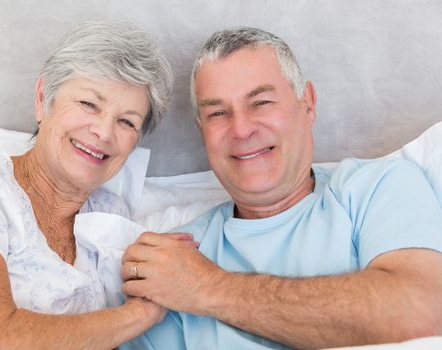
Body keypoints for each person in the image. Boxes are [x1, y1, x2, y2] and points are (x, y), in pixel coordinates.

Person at [120, 27, 442, 349]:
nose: (242, 129)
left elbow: (422, 312)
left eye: (260, 102)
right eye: (218, 112)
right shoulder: (178, 256)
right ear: (201, 129)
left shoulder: (375, 188)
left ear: (308, 104)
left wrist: (209, 287)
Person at [0, 21, 174, 349]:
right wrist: (141, 314)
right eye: (88, 104)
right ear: (43, 100)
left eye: (126, 121)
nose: (104, 132)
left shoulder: (113, 215)